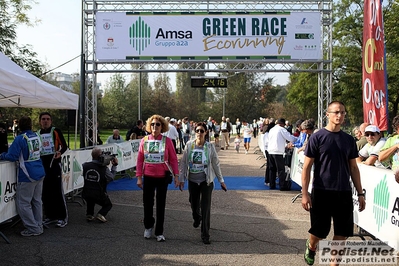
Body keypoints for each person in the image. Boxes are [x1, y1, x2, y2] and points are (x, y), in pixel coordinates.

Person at [301, 101, 366, 265]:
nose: (339, 115)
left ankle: (334, 264)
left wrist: (360, 193)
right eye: (336, 112)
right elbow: (307, 168)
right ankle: (312, 245)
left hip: (343, 192)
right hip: (322, 191)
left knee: (342, 232)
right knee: (320, 232)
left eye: (342, 112)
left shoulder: (349, 140)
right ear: (327, 114)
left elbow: (354, 168)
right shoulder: (317, 137)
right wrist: (305, 194)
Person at [178, 122, 227, 244]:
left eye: (201, 131)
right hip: (193, 180)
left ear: (206, 132)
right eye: (197, 131)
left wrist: (221, 180)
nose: (199, 133)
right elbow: (183, 162)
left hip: (206, 181)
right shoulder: (189, 145)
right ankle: (196, 217)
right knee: (194, 204)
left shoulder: (209, 147)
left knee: (206, 207)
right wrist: (181, 178)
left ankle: (205, 234)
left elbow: (215, 163)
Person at [136, 115, 179, 242]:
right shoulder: (144, 140)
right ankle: (148, 226)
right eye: (153, 124)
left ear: (162, 127)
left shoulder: (167, 141)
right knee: (147, 204)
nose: (155, 127)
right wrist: (139, 177)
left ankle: (159, 231)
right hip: (148, 176)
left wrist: (176, 175)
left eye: (158, 125)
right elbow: (139, 159)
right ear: (150, 126)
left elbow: (173, 160)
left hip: (162, 177)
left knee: (161, 205)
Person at [0, 116, 46, 236]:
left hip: (27, 174)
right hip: (39, 171)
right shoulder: (37, 136)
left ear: (19, 125)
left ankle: (33, 228)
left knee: (23, 203)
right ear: (31, 125)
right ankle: (38, 225)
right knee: (37, 201)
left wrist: (2, 155)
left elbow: (12, 156)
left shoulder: (20, 138)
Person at [37, 112, 69, 228]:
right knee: (46, 192)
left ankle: (62, 217)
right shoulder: (38, 133)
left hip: (54, 164)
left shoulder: (55, 131)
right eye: (43, 119)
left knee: (57, 191)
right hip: (43, 166)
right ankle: (50, 216)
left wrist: (60, 153)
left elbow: (64, 146)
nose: (45, 121)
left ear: (51, 121)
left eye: (48, 119)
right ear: (40, 121)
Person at [82, 148, 118, 223]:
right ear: (100, 156)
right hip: (99, 194)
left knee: (90, 199)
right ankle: (101, 214)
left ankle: (89, 214)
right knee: (108, 205)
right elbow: (111, 178)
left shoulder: (85, 165)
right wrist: (114, 166)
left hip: (86, 193)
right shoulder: (103, 168)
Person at [267, 118, 297, 190]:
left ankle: (272, 184)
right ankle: (282, 185)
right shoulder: (281, 129)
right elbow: (290, 138)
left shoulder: (272, 129)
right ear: (282, 124)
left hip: (270, 151)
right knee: (280, 169)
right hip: (278, 151)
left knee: (272, 169)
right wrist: (297, 139)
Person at [379, 115, 399, 182]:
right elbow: (381, 158)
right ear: (396, 129)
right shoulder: (391, 140)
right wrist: (395, 146)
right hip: (394, 179)